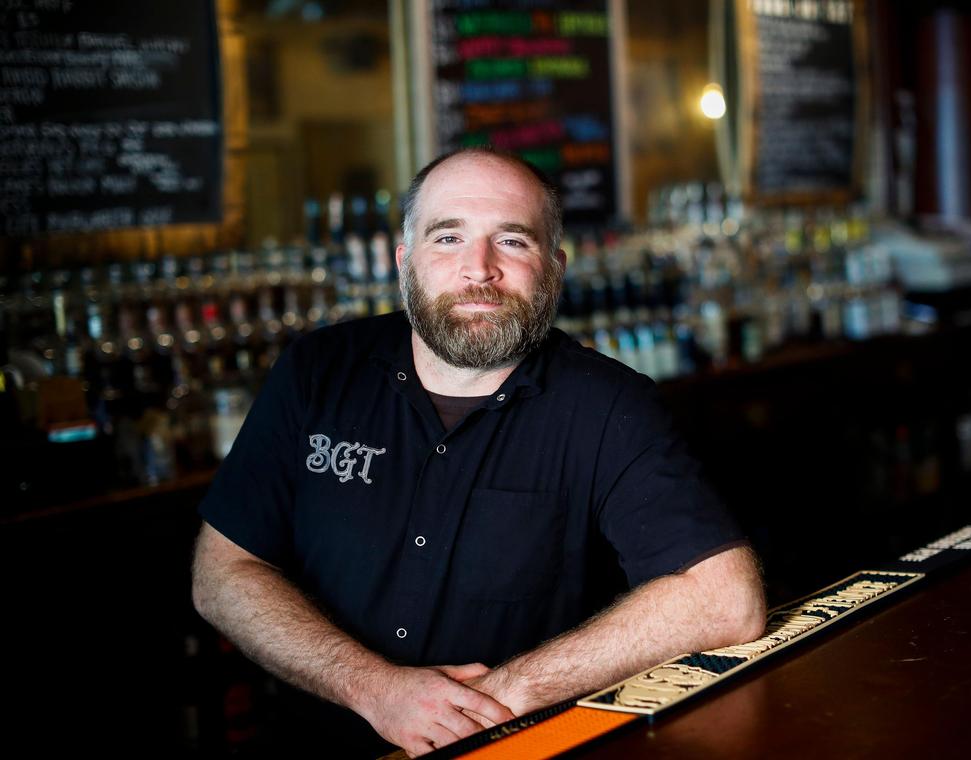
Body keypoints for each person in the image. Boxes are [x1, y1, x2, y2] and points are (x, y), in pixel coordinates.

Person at [191, 147, 766, 758]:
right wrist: (375, 689)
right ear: (404, 262)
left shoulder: (609, 406)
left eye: (513, 241)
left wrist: (503, 695)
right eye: (448, 238)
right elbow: (220, 573)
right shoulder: (317, 373)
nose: (479, 268)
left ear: (555, 268)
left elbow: (725, 599)